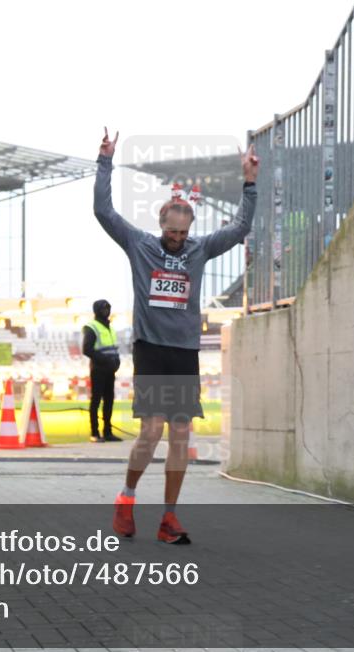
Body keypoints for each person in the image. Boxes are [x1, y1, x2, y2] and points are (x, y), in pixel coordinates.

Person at [94, 127, 258, 544]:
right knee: (151, 433)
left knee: (181, 437)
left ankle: (169, 517)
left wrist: (250, 183)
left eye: (184, 234)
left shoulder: (199, 250)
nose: (178, 239)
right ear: (161, 223)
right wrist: (105, 161)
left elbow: (240, 228)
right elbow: (104, 212)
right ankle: (126, 499)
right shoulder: (139, 245)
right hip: (151, 351)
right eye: (172, 232)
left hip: (184, 354)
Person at [83, 299, 122, 443]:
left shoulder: (110, 327)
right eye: (103, 309)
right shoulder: (92, 327)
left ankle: (107, 432)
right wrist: (106, 360)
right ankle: (94, 432)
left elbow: (112, 348)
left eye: (108, 308)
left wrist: (116, 361)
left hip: (110, 369)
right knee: (96, 400)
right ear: (97, 310)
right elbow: (87, 349)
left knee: (109, 400)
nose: (106, 311)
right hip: (98, 369)